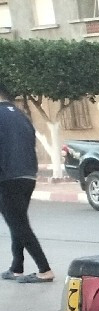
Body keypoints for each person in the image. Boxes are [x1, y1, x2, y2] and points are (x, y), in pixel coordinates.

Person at [0, 82, 51, 283]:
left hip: (7, 176)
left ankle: (45, 269)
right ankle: (17, 266)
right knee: (17, 220)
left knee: (18, 224)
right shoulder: (21, 115)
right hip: (28, 174)